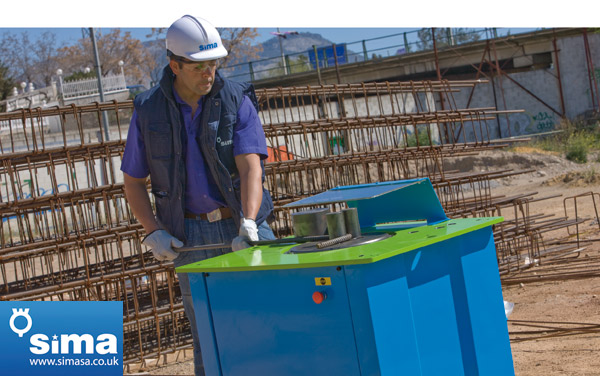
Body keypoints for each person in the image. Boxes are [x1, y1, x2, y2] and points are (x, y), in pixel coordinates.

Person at [120, 14, 275, 376]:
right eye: (200, 66)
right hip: (191, 236)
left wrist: (249, 221)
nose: (210, 74)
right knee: (210, 334)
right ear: (175, 65)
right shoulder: (147, 110)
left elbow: (251, 167)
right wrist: (152, 230)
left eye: (214, 64)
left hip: (242, 225)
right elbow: (132, 181)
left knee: (272, 318)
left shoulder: (236, 99)